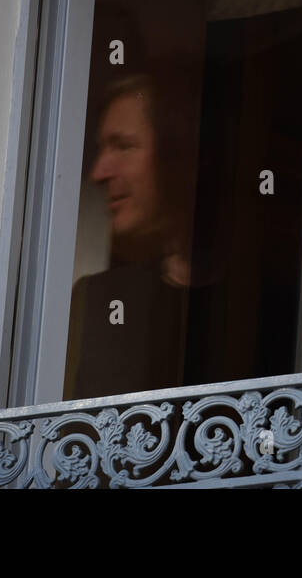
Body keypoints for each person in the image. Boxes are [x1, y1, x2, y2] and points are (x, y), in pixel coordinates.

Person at [64, 70, 219, 399]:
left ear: (177, 155)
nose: (98, 172)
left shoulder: (276, 298)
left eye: (123, 146)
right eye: (102, 149)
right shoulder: (95, 301)